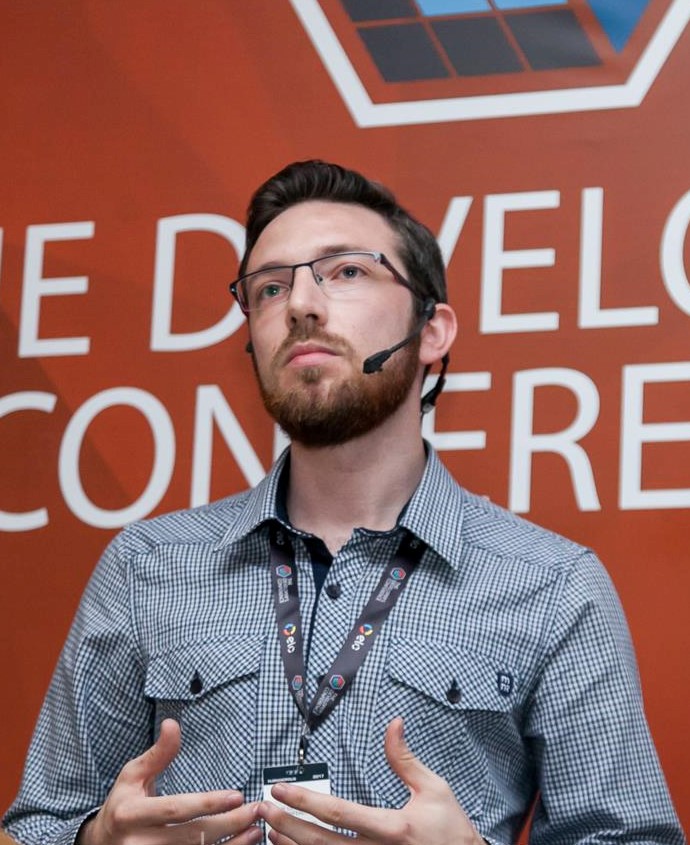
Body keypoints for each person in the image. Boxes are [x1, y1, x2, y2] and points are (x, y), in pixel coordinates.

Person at [4, 160, 684, 845]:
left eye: (346, 271)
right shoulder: (146, 565)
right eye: (270, 287)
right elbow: (35, 826)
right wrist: (95, 840)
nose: (300, 304)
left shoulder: (553, 584)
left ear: (433, 330)